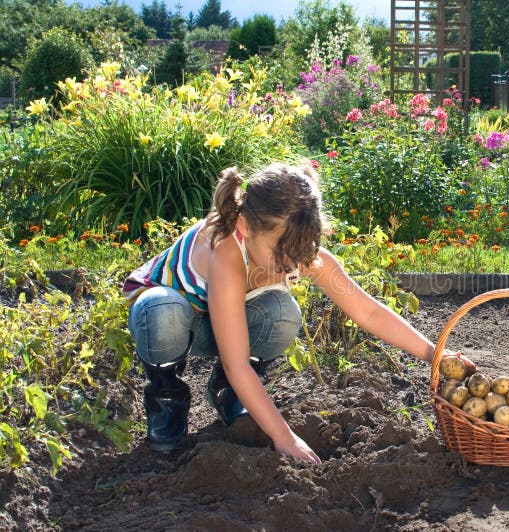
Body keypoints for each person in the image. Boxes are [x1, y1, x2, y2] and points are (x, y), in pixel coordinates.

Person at [124, 162, 475, 463]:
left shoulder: (297, 251)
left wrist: (435, 354)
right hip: (172, 318)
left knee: (282, 311)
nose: (290, 267)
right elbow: (236, 361)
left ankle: (229, 392)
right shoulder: (227, 252)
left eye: (300, 255)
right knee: (163, 309)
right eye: (282, 256)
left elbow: (367, 312)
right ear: (245, 228)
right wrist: (286, 438)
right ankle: (166, 398)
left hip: (226, 322)